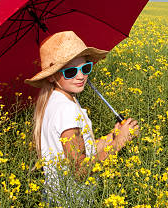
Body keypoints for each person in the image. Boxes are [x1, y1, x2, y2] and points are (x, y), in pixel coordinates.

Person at [24, 30, 139, 206]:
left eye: (85, 68)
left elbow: (82, 151)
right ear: (52, 76)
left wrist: (111, 137)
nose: (80, 76)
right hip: (72, 200)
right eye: (70, 72)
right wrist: (119, 143)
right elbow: (80, 171)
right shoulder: (67, 111)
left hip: (58, 197)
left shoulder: (56, 101)